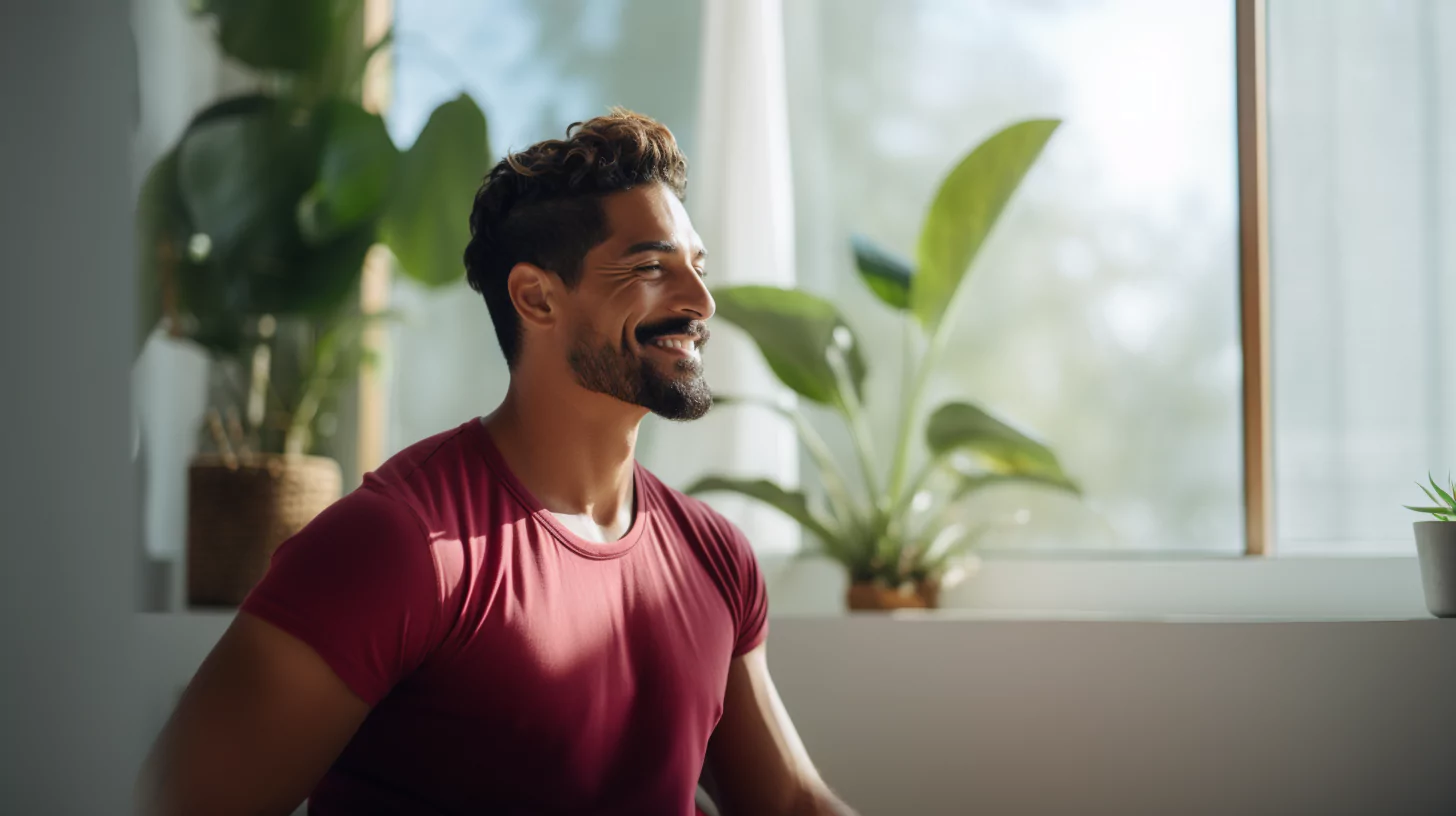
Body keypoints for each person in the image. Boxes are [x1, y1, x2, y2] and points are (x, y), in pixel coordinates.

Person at [141, 109, 858, 816]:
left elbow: (790, 803)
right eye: (650, 268)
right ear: (536, 297)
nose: (699, 302)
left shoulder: (716, 556)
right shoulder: (397, 548)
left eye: (697, 269)